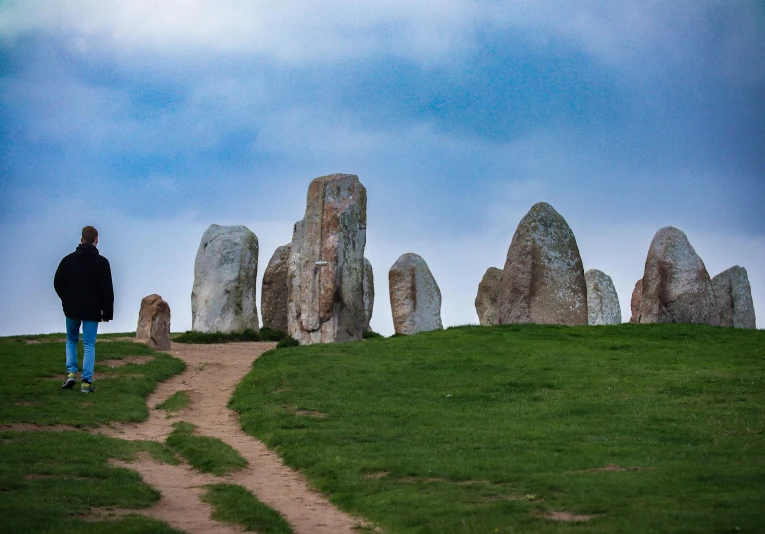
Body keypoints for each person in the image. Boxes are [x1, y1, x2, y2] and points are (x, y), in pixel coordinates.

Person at [54, 226, 114, 393]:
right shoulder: (102, 262)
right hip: (92, 310)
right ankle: (86, 382)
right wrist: (107, 312)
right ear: (96, 240)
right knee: (89, 344)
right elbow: (107, 290)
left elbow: (58, 283)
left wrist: (65, 299)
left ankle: (71, 373)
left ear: (81, 240)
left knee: (71, 340)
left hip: (72, 307)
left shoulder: (68, 260)